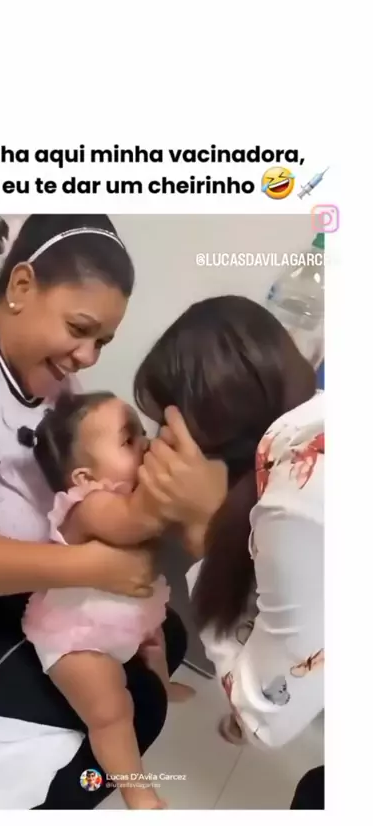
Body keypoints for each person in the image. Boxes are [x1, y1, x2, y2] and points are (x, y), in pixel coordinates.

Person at [0, 214, 187, 810]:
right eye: (80, 330)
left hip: (34, 584)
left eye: (102, 341)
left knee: (169, 635)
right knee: (137, 707)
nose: (87, 356)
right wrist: (89, 568)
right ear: (22, 285)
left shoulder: (50, 376)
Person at [133, 295, 324, 749]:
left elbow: (264, 722)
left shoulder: (298, 499)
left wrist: (204, 533)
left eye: (164, 433)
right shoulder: (309, 421)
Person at [19, 391, 192, 809]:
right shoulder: (89, 505)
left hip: (122, 616)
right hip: (76, 638)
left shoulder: (117, 495)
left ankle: (164, 684)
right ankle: (138, 792)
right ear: (83, 477)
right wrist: (176, 480)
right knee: (111, 711)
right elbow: (134, 523)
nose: (146, 445)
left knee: (157, 643)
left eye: (141, 433)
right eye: (129, 440)